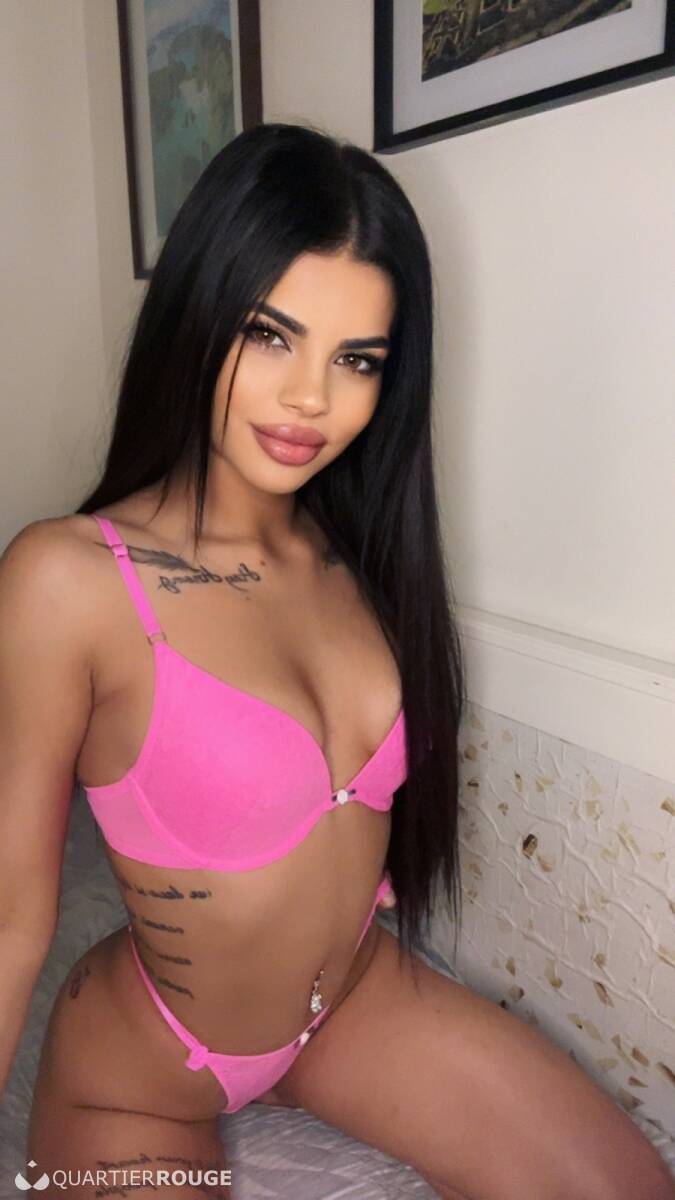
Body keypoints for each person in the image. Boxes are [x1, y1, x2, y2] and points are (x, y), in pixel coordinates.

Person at [0, 123, 671, 1200]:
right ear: (198, 314)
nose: (312, 397)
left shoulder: (358, 558)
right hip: (148, 1068)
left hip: (349, 1003)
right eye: (271, 336)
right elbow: (9, 923)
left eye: (356, 359)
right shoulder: (66, 581)